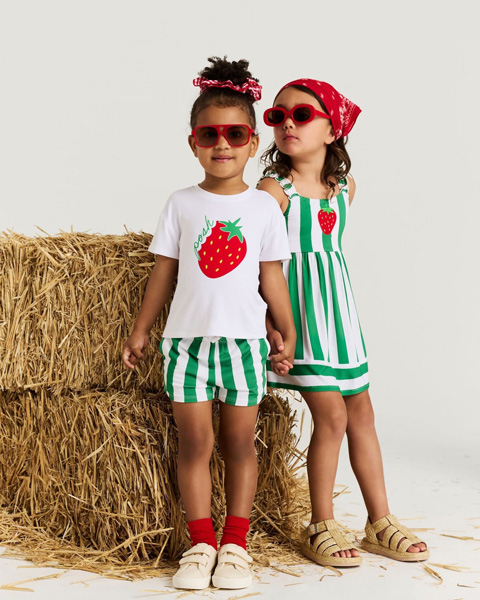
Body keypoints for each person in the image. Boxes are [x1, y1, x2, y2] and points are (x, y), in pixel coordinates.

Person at [122, 57, 296, 590]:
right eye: (209, 134)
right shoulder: (180, 204)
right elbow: (164, 271)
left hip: (244, 346)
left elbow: (271, 277)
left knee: (239, 445)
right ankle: (200, 544)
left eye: (235, 134)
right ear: (193, 143)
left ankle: (235, 546)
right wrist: (141, 329)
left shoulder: (264, 208)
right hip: (186, 346)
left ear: (251, 142)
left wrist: (287, 329)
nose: (222, 144)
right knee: (195, 445)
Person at [258, 78, 429, 566]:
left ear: (333, 130)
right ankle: (321, 523)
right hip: (299, 318)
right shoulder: (273, 191)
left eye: (302, 115)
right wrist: (272, 324)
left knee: (362, 415)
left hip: (339, 317)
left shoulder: (344, 190)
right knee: (331, 416)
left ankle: (379, 520)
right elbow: (259, 264)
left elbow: (327, 257)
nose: (288, 123)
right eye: (277, 116)